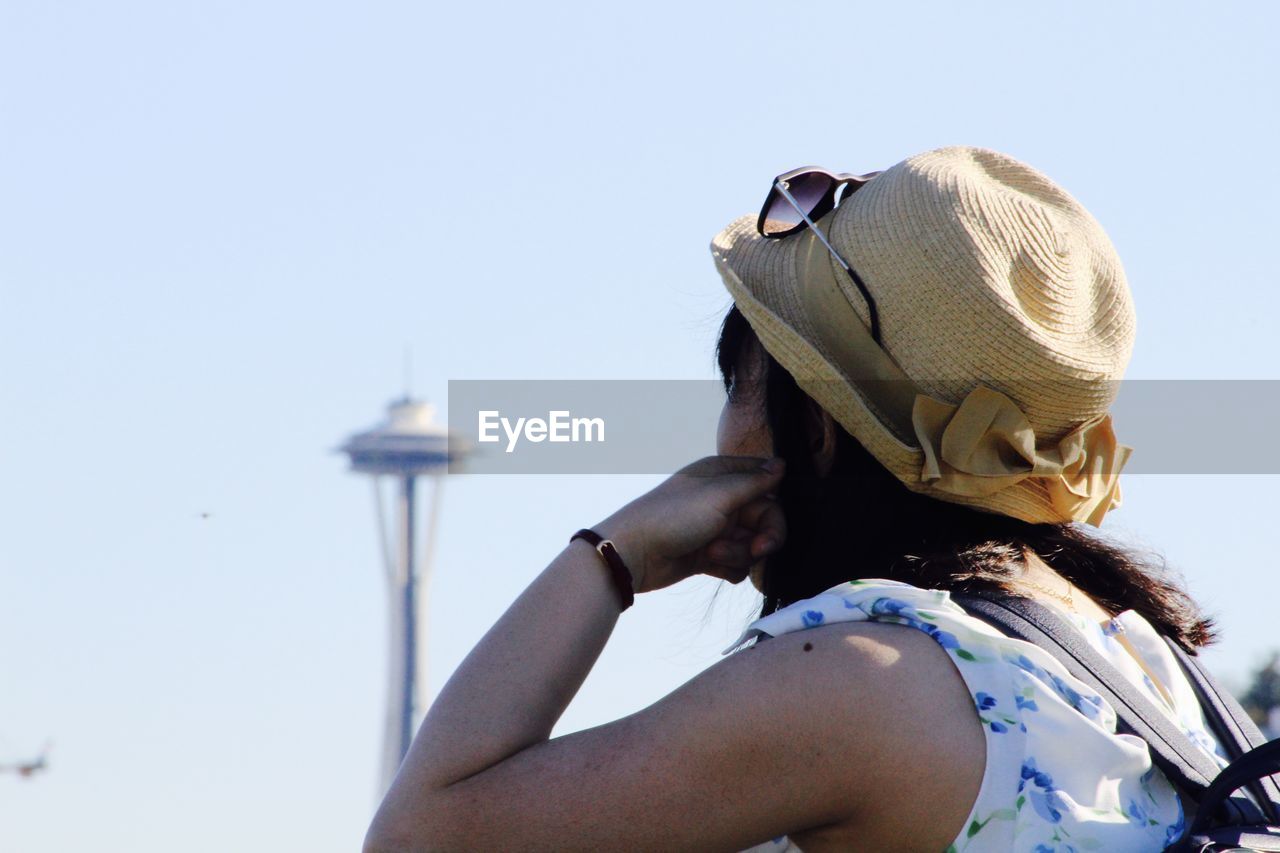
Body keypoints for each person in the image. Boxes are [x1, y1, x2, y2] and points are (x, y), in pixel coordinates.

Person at [363, 146, 1227, 852]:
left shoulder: (865, 681)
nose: (723, 432)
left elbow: (419, 838)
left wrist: (608, 557)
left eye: (741, 387)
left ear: (815, 424)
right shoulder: (1147, 656)